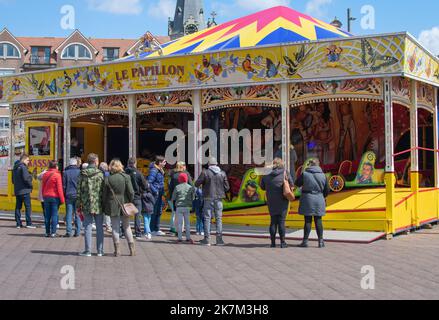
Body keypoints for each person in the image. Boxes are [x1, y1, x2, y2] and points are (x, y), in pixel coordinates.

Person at [103, 160, 136, 257]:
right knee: (127, 226)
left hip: (112, 204)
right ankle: (132, 250)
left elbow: (104, 194)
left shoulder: (108, 179)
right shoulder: (126, 177)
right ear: (121, 166)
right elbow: (131, 192)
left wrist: (104, 204)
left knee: (115, 227)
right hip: (125, 203)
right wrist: (130, 201)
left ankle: (117, 251)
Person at [195, 157, 230, 246]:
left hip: (208, 198)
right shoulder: (222, 173)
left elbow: (196, 183)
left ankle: (207, 239)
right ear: (217, 163)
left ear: (209, 164)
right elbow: (227, 187)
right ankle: (219, 240)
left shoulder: (205, 172)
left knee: (207, 218)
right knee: (219, 218)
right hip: (219, 198)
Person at [296, 159, 330, 248]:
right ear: (318, 165)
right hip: (319, 198)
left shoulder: (305, 174)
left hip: (307, 198)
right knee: (318, 220)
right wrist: (321, 196)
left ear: (310, 165)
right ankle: (321, 242)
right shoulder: (323, 175)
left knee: (307, 220)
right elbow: (327, 191)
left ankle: (305, 241)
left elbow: (297, 183)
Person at [261, 158, 294, 249]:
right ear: (281, 164)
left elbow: (262, 187)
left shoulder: (266, 173)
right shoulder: (285, 172)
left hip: (271, 201)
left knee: (273, 221)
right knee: (281, 222)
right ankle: (283, 243)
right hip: (283, 200)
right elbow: (291, 184)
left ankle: (272, 243)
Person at [76, 153, 105, 257]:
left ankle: (88, 250)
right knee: (99, 227)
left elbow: (78, 190)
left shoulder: (82, 174)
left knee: (87, 226)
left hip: (86, 203)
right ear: (96, 162)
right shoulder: (100, 174)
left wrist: (78, 204)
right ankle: (100, 251)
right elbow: (104, 191)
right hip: (99, 204)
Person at [168, 162, 193, 235]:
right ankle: (182, 230)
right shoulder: (186, 174)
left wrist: (172, 197)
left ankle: (176, 230)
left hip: (176, 197)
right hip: (185, 197)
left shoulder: (174, 175)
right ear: (183, 166)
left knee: (176, 214)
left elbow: (171, 187)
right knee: (185, 215)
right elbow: (191, 185)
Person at [125, 158, 148, 238]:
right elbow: (145, 185)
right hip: (137, 197)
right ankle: (137, 233)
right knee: (137, 215)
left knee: (125, 215)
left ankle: (123, 232)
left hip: (127, 197)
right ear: (135, 163)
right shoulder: (138, 173)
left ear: (128, 163)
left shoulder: (124, 172)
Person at [41, 160, 65, 237]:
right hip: (55, 197)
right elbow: (59, 188)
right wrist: (62, 199)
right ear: (56, 166)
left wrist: (43, 195)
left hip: (46, 197)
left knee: (47, 215)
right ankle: (53, 232)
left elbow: (43, 186)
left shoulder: (45, 174)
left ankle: (47, 232)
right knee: (54, 215)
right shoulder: (57, 175)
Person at [12, 154, 36, 229]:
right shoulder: (23, 167)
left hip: (17, 190)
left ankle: (18, 224)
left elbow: (13, 180)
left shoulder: (15, 168)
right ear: (24, 159)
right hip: (25, 190)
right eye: (28, 160)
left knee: (18, 207)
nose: (28, 162)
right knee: (28, 207)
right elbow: (26, 179)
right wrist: (30, 185)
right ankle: (28, 223)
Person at [172, 173, 195, 244]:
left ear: (180, 179)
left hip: (179, 207)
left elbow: (173, 198)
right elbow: (193, 197)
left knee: (179, 223)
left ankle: (179, 238)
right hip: (187, 207)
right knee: (187, 223)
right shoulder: (190, 187)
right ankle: (188, 238)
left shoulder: (177, 187)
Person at [63, 158, 82, 237]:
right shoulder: (80, 172)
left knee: (69, 214)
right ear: (76, 164)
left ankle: (68, 231)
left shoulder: (65, 172)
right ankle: (77, 232)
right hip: (78, 195)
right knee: (78, 213)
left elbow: (64, 185)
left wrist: (64, 194)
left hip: (68, 195)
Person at [148, 156, 167, 236]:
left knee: (158, 211)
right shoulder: (154, 170)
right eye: (164, 162)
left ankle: (157, 229)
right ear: (159, 163)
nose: (165, 163)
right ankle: (152, 229)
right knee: (154, 211)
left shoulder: (160, 170)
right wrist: (155, 191)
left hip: (160, 194)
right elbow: (149, 182)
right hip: (156, 194)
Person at [99, 162, 112, 233]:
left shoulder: (98, 174)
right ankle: (108, 226)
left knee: (100, 211)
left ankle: (99, 225)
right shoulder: (108, 174)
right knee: (107, 213)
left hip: (99, 195)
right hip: (106, 196)